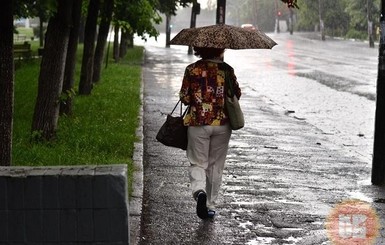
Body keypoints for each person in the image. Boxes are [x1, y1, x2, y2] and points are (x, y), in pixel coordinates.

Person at [179, 47, 241, 219]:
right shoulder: (227, 70)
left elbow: (184, 98)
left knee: (198, 163)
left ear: (200, 50)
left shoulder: (192, 69)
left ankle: (199, 192)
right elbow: (236, 94)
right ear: (220, 50)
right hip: (222, 124)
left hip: (198, 123)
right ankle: (210, 205)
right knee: (215, 165)